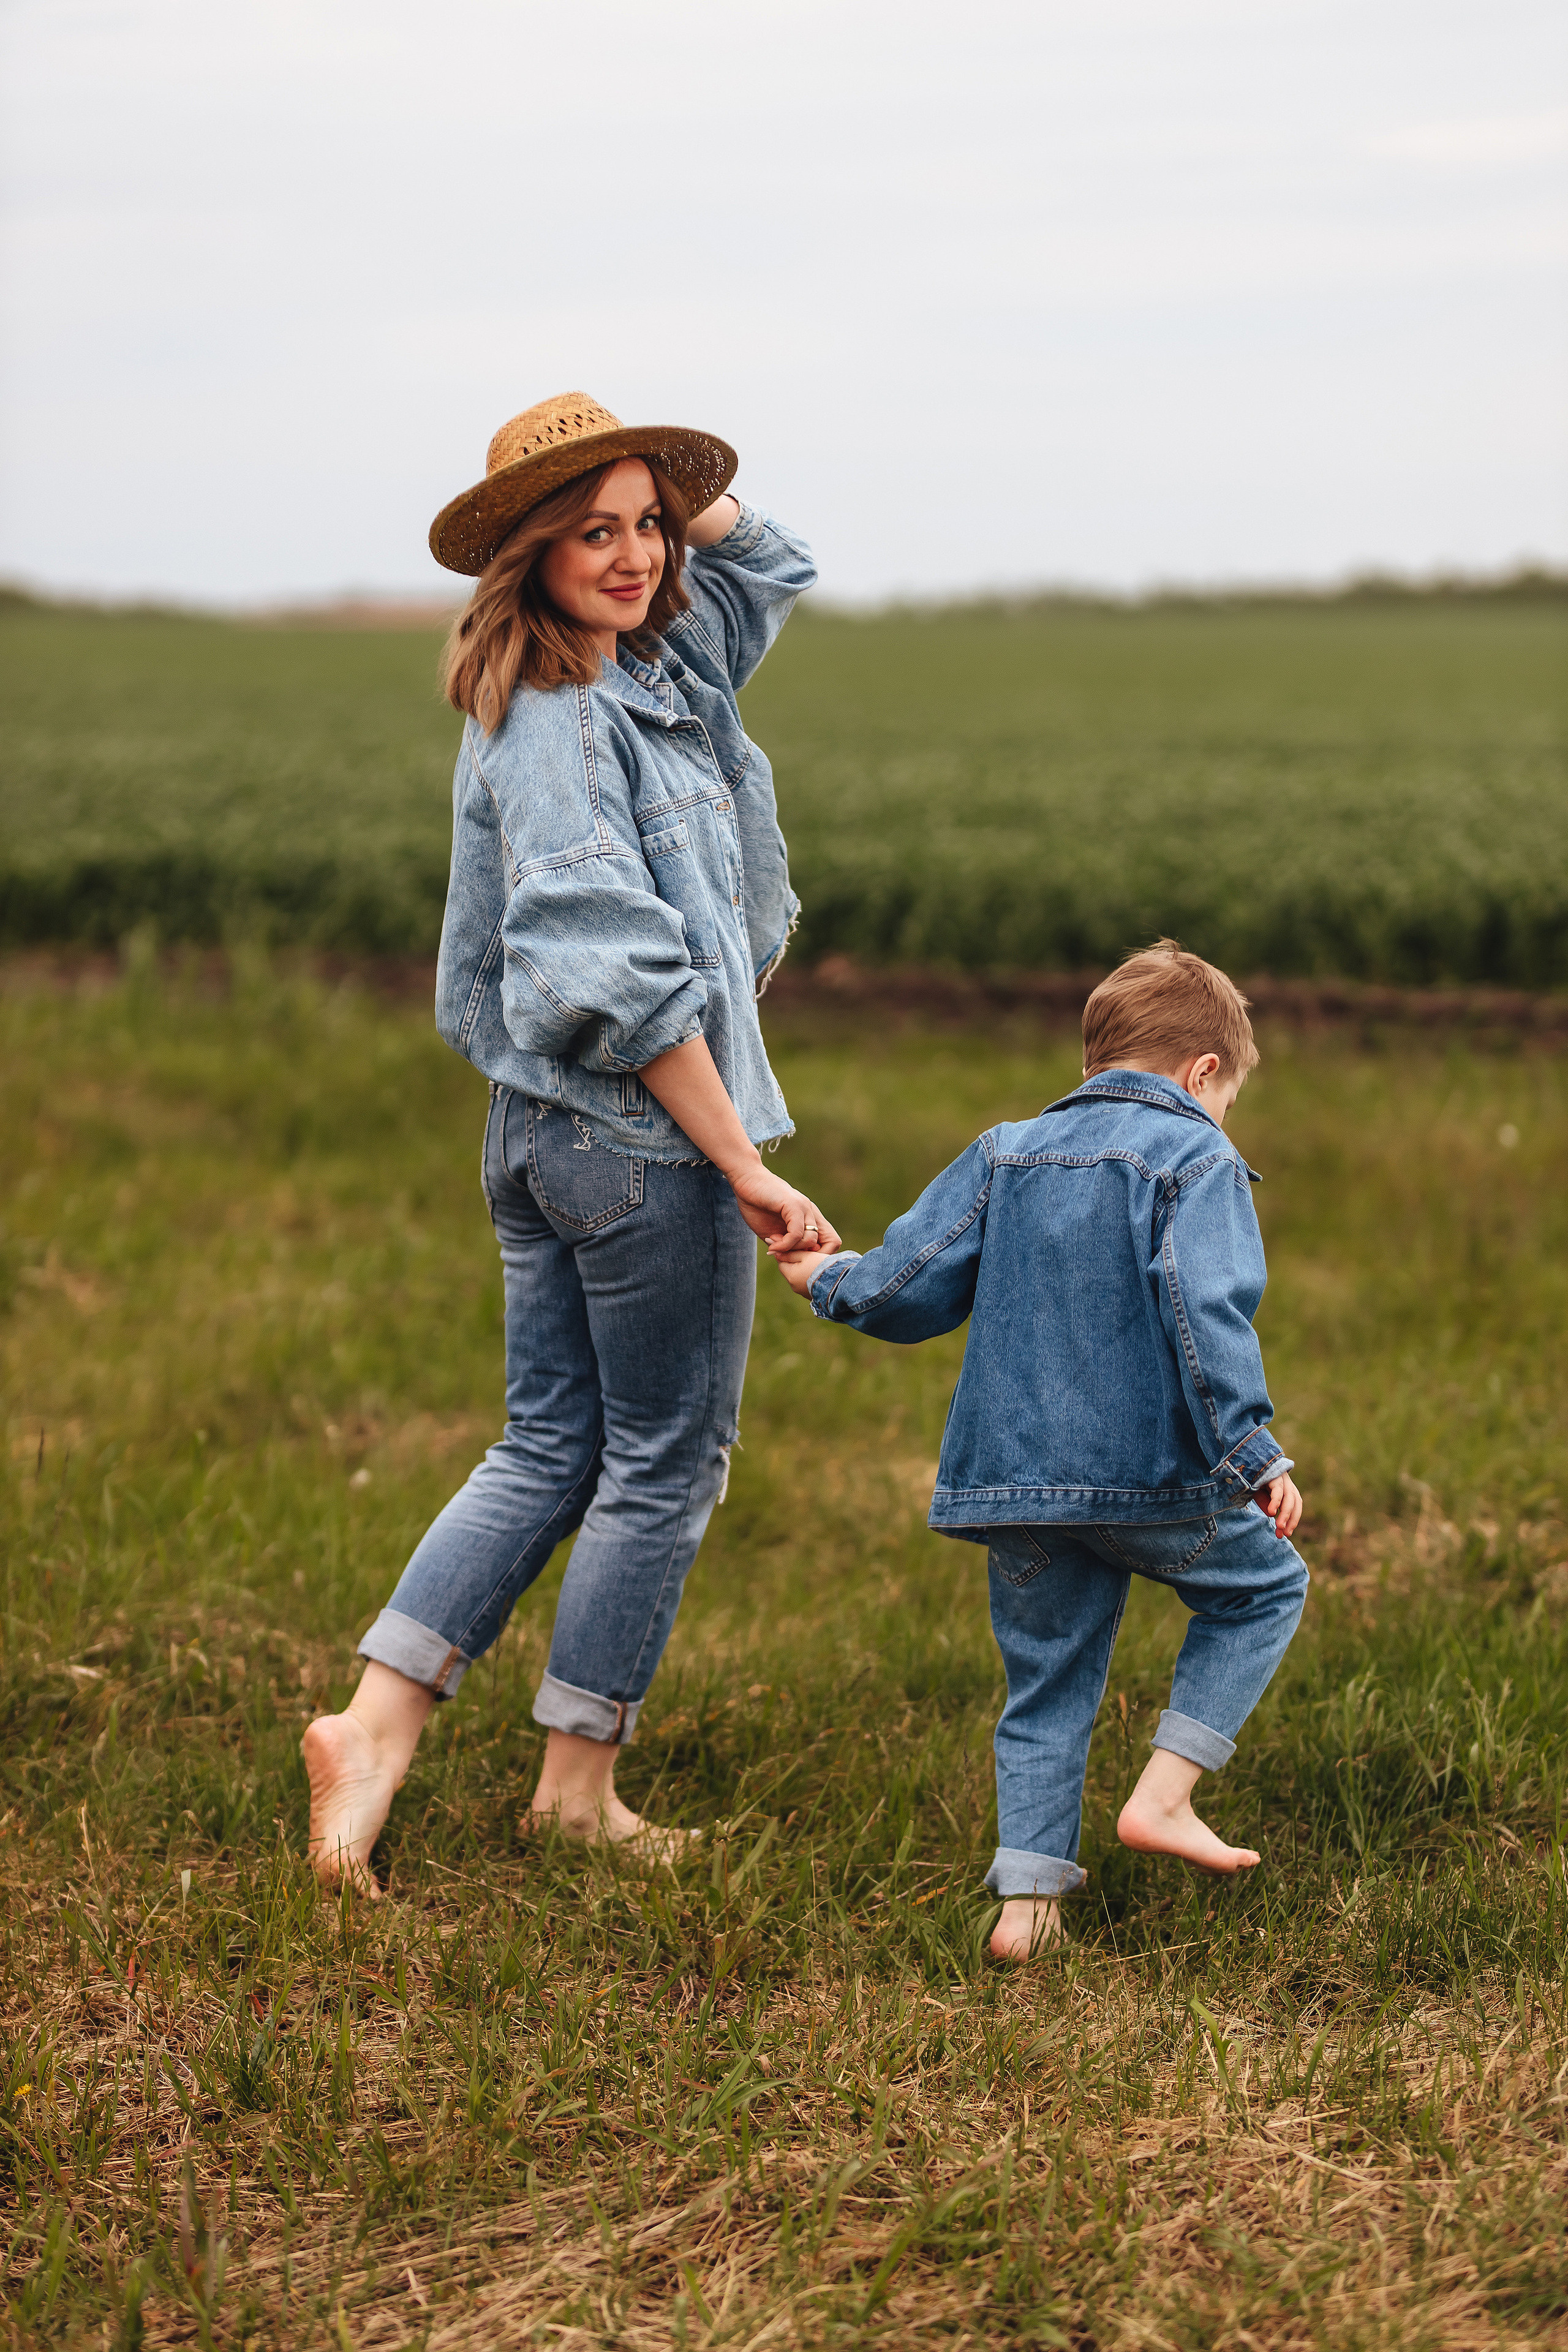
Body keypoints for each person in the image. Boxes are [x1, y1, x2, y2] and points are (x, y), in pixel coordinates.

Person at [304, 392, 840, 1891]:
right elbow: (614, 971)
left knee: (549, 1443)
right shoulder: (554, 724)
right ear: (528, 555)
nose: (628, 553)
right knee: (664, 1459)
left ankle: (372, 1726)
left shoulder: (655, 665)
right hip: (628, 1142)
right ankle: (574, 1789)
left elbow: (775, 566)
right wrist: (740, 1162)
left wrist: (683, 487)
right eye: (589, 529)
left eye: (644, 525)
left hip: (540, 1137)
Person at [775, 941, 1308, 1958]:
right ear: (1205, 1074)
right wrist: (1250, 1451)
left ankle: (1027, 1910)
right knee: (1263, 1590)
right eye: (1225, 1096)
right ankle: (1164, 1796)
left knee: (1046, 1681)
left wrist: (825, 1277)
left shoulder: (1006, 1150)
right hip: (1148, 1479)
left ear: (1096, 1059)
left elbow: (908, 1286)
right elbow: (1207, 1309)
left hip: (1012, 1485)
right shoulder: (1197, 1157)